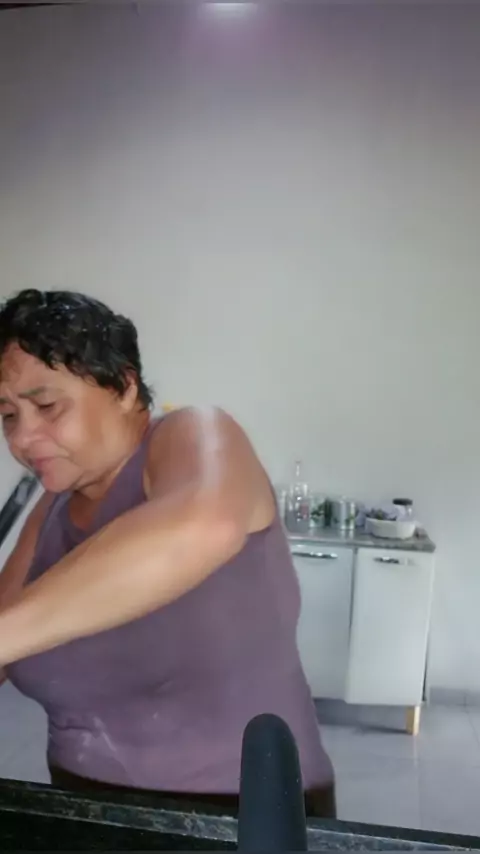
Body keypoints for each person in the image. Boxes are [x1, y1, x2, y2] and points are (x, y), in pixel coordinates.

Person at [0, 288, 335, 816]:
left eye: (46, 406)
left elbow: (204, 524)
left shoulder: (193, 433)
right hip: (83, 810)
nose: (22, 438)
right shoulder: (50, 509)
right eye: (7, 416)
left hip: (241, 817)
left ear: (124, 386)